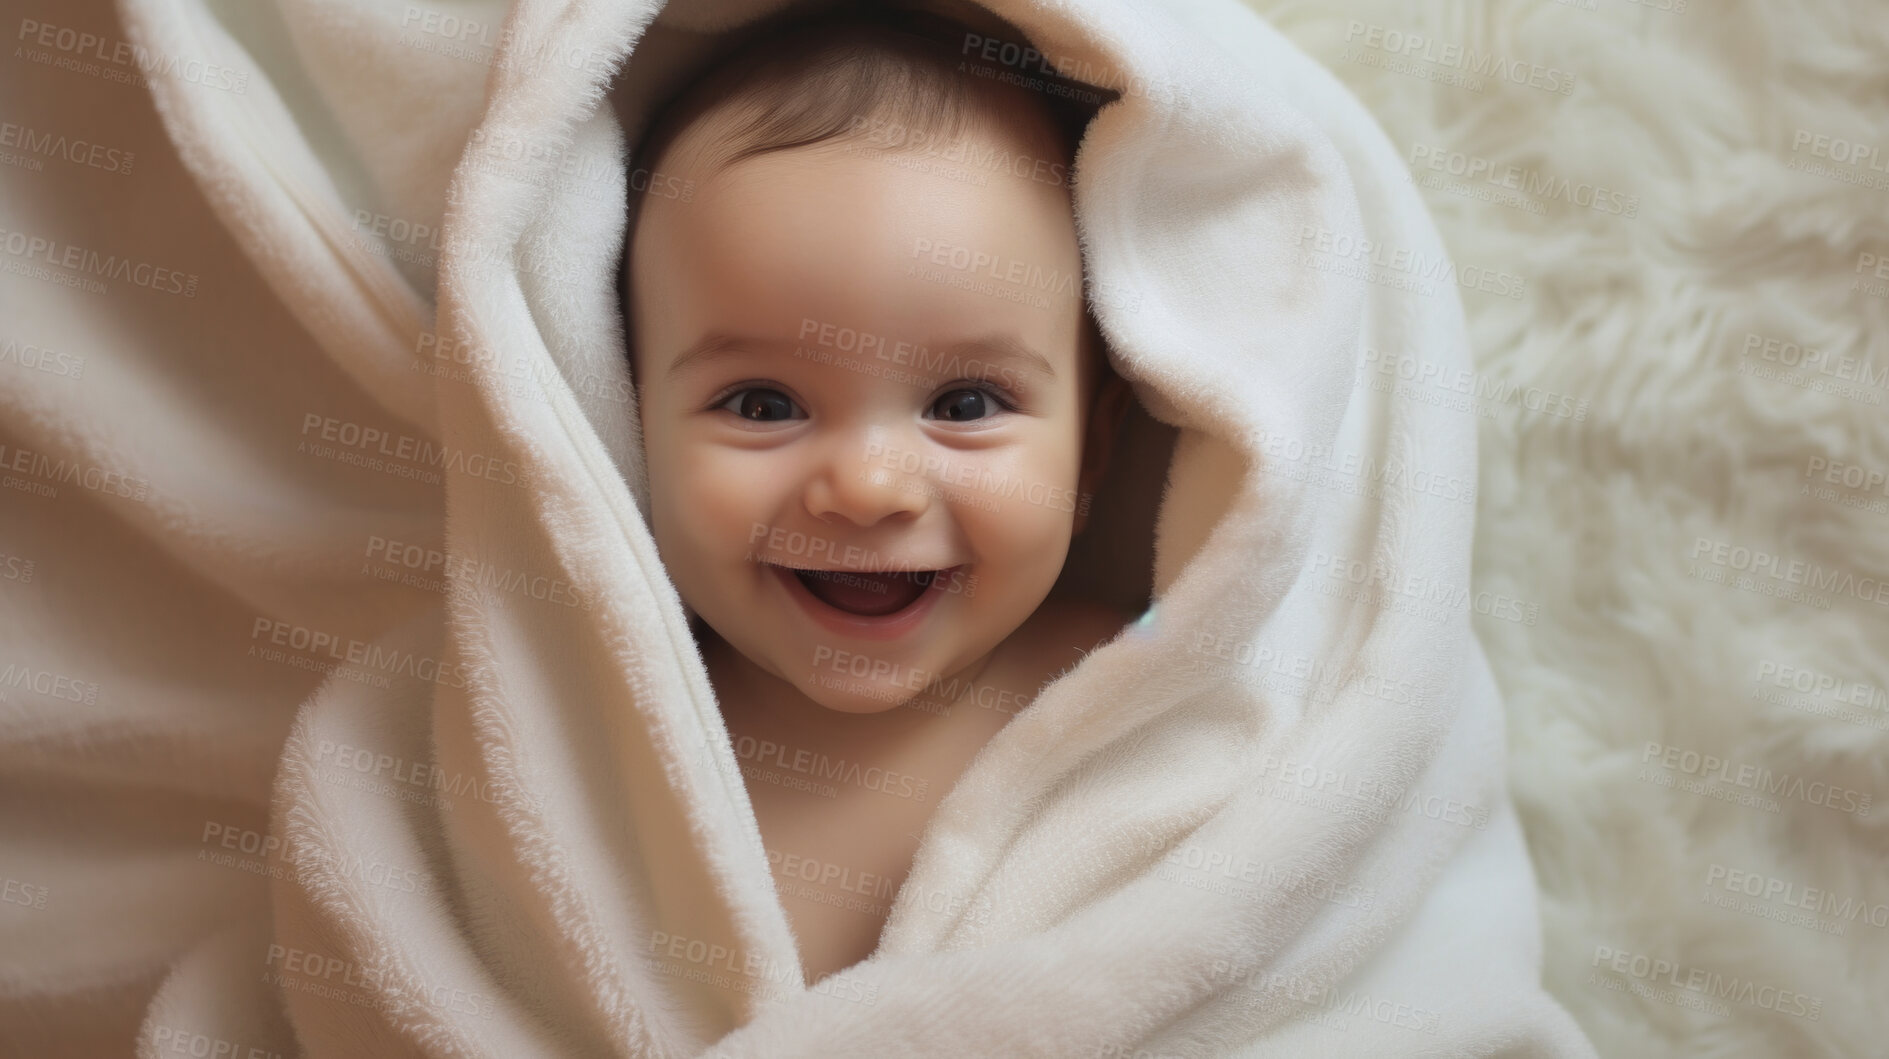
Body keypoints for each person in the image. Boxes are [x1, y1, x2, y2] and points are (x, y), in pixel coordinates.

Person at [620, 0, 1137, 984]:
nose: (865, 489)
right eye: (762, 404)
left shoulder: (1123, 676)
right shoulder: (605, 706)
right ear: (624, 418)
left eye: (965, 401)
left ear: (1095, 447)